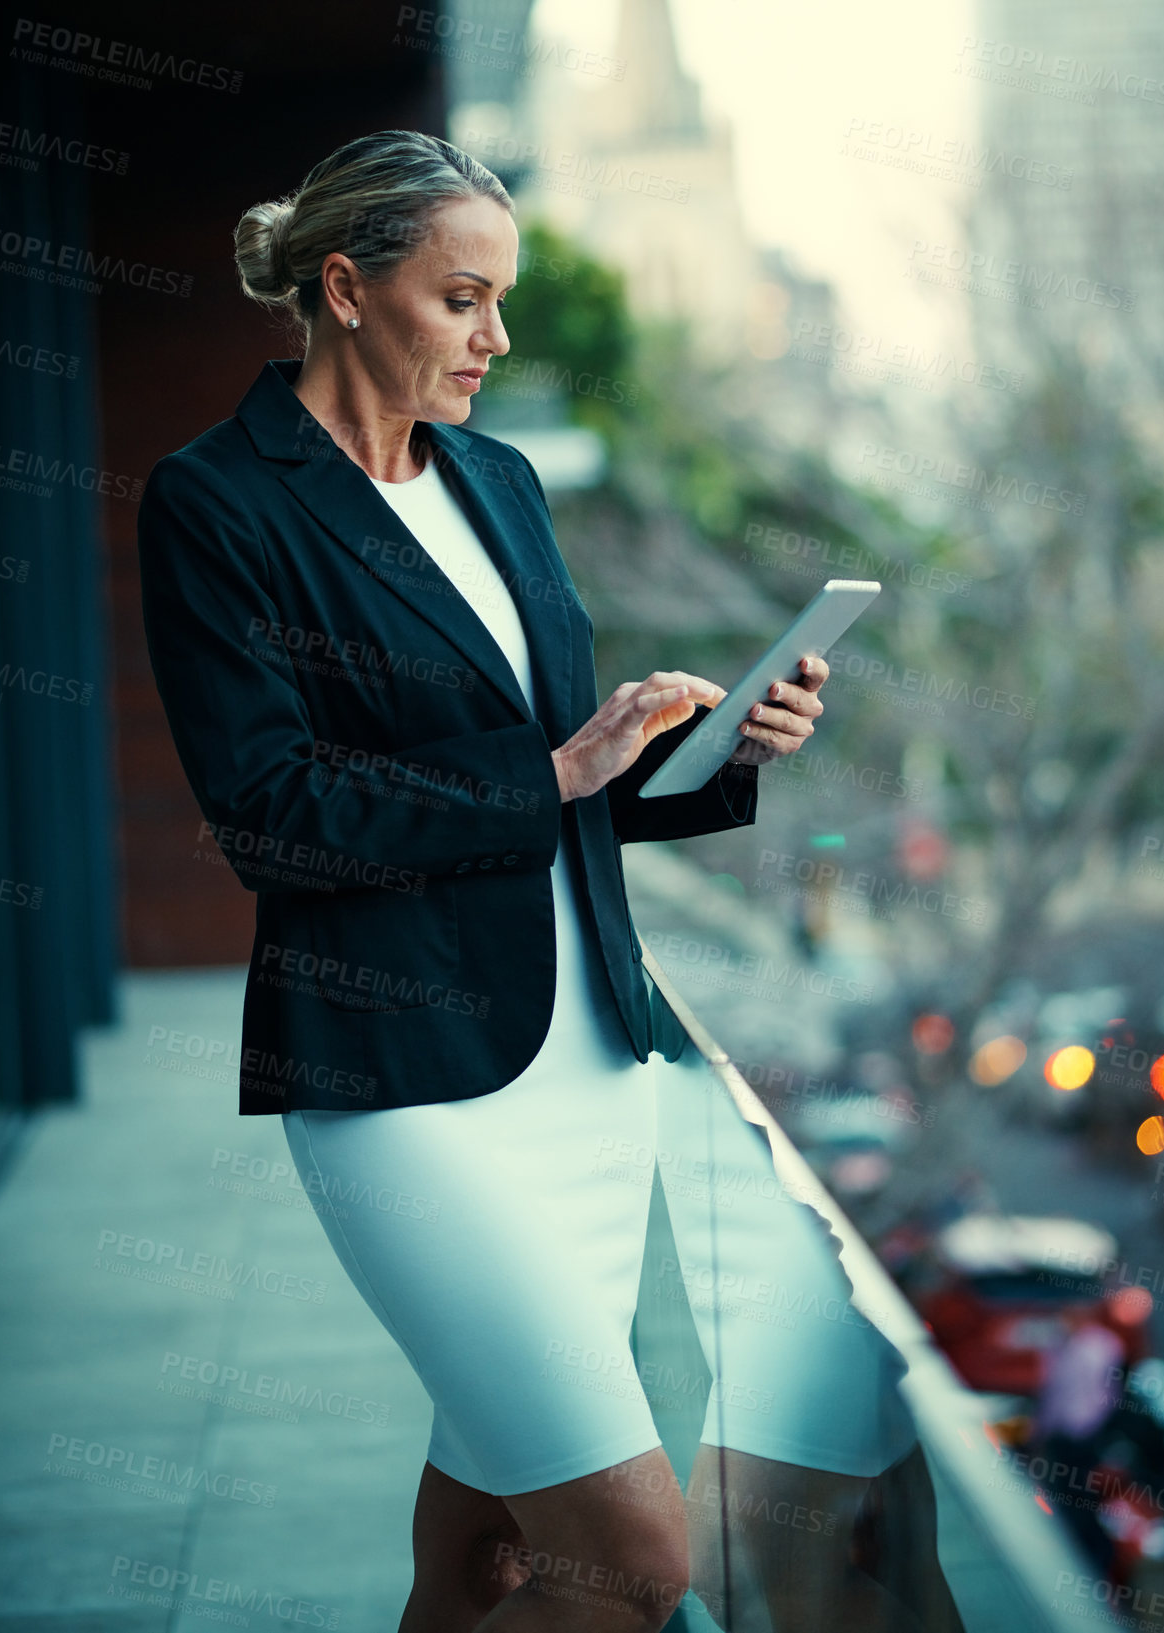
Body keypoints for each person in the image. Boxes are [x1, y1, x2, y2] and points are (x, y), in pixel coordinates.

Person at [138, 130, 963, 1633]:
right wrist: (554, 772)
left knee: (480, 1562)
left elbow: (556, 792)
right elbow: (272, 813)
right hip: (405, 1091)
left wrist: (717, 754)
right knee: (632, 1563)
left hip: (591, 1077)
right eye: (463, 299)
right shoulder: (218, 503)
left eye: (500, 300)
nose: (496, 337)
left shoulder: (501, 483)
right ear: (344, 286)